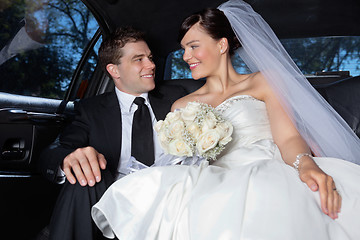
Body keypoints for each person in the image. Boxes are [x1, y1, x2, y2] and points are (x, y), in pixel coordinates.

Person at [91, 1, 360, 239]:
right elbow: (176, 159)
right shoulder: (182, 105)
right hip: (211, 177)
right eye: (183, 49)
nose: (186, 56)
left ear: (222, 45)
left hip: (268, 167)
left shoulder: (263, 81)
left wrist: (306, 165)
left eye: (193, 46)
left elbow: (287, 137)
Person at [38, 26, 187, 240]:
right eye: (139, 59)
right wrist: (69, 159)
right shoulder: (91, 110)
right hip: (112, 200)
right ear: (114, 70)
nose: (151, 65)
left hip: (168, 195)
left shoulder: (177, 97)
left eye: (150, 58)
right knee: (85, 178)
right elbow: (55, 149)